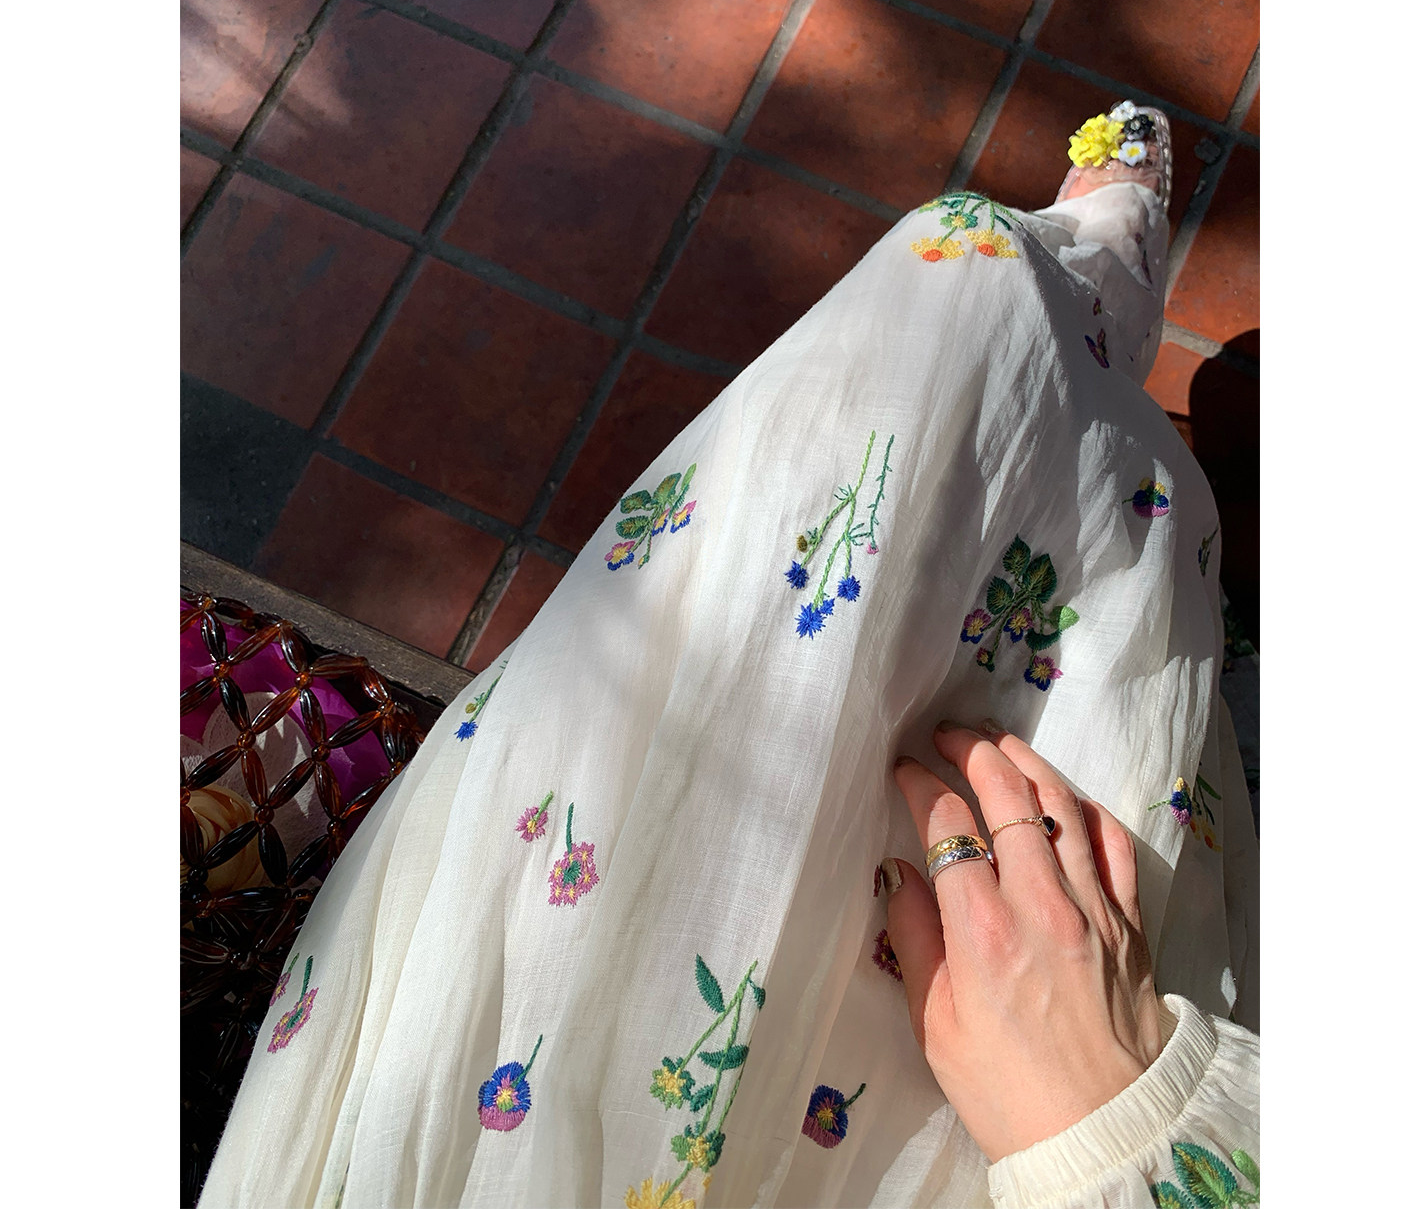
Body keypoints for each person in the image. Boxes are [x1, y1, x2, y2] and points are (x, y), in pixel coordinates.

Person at [198, 102, 1258, 1209]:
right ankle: (1090, 329)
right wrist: (1112, 1110)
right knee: (968, 308)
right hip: (1075, 1130)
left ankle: (1088, 328)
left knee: (955, 321)